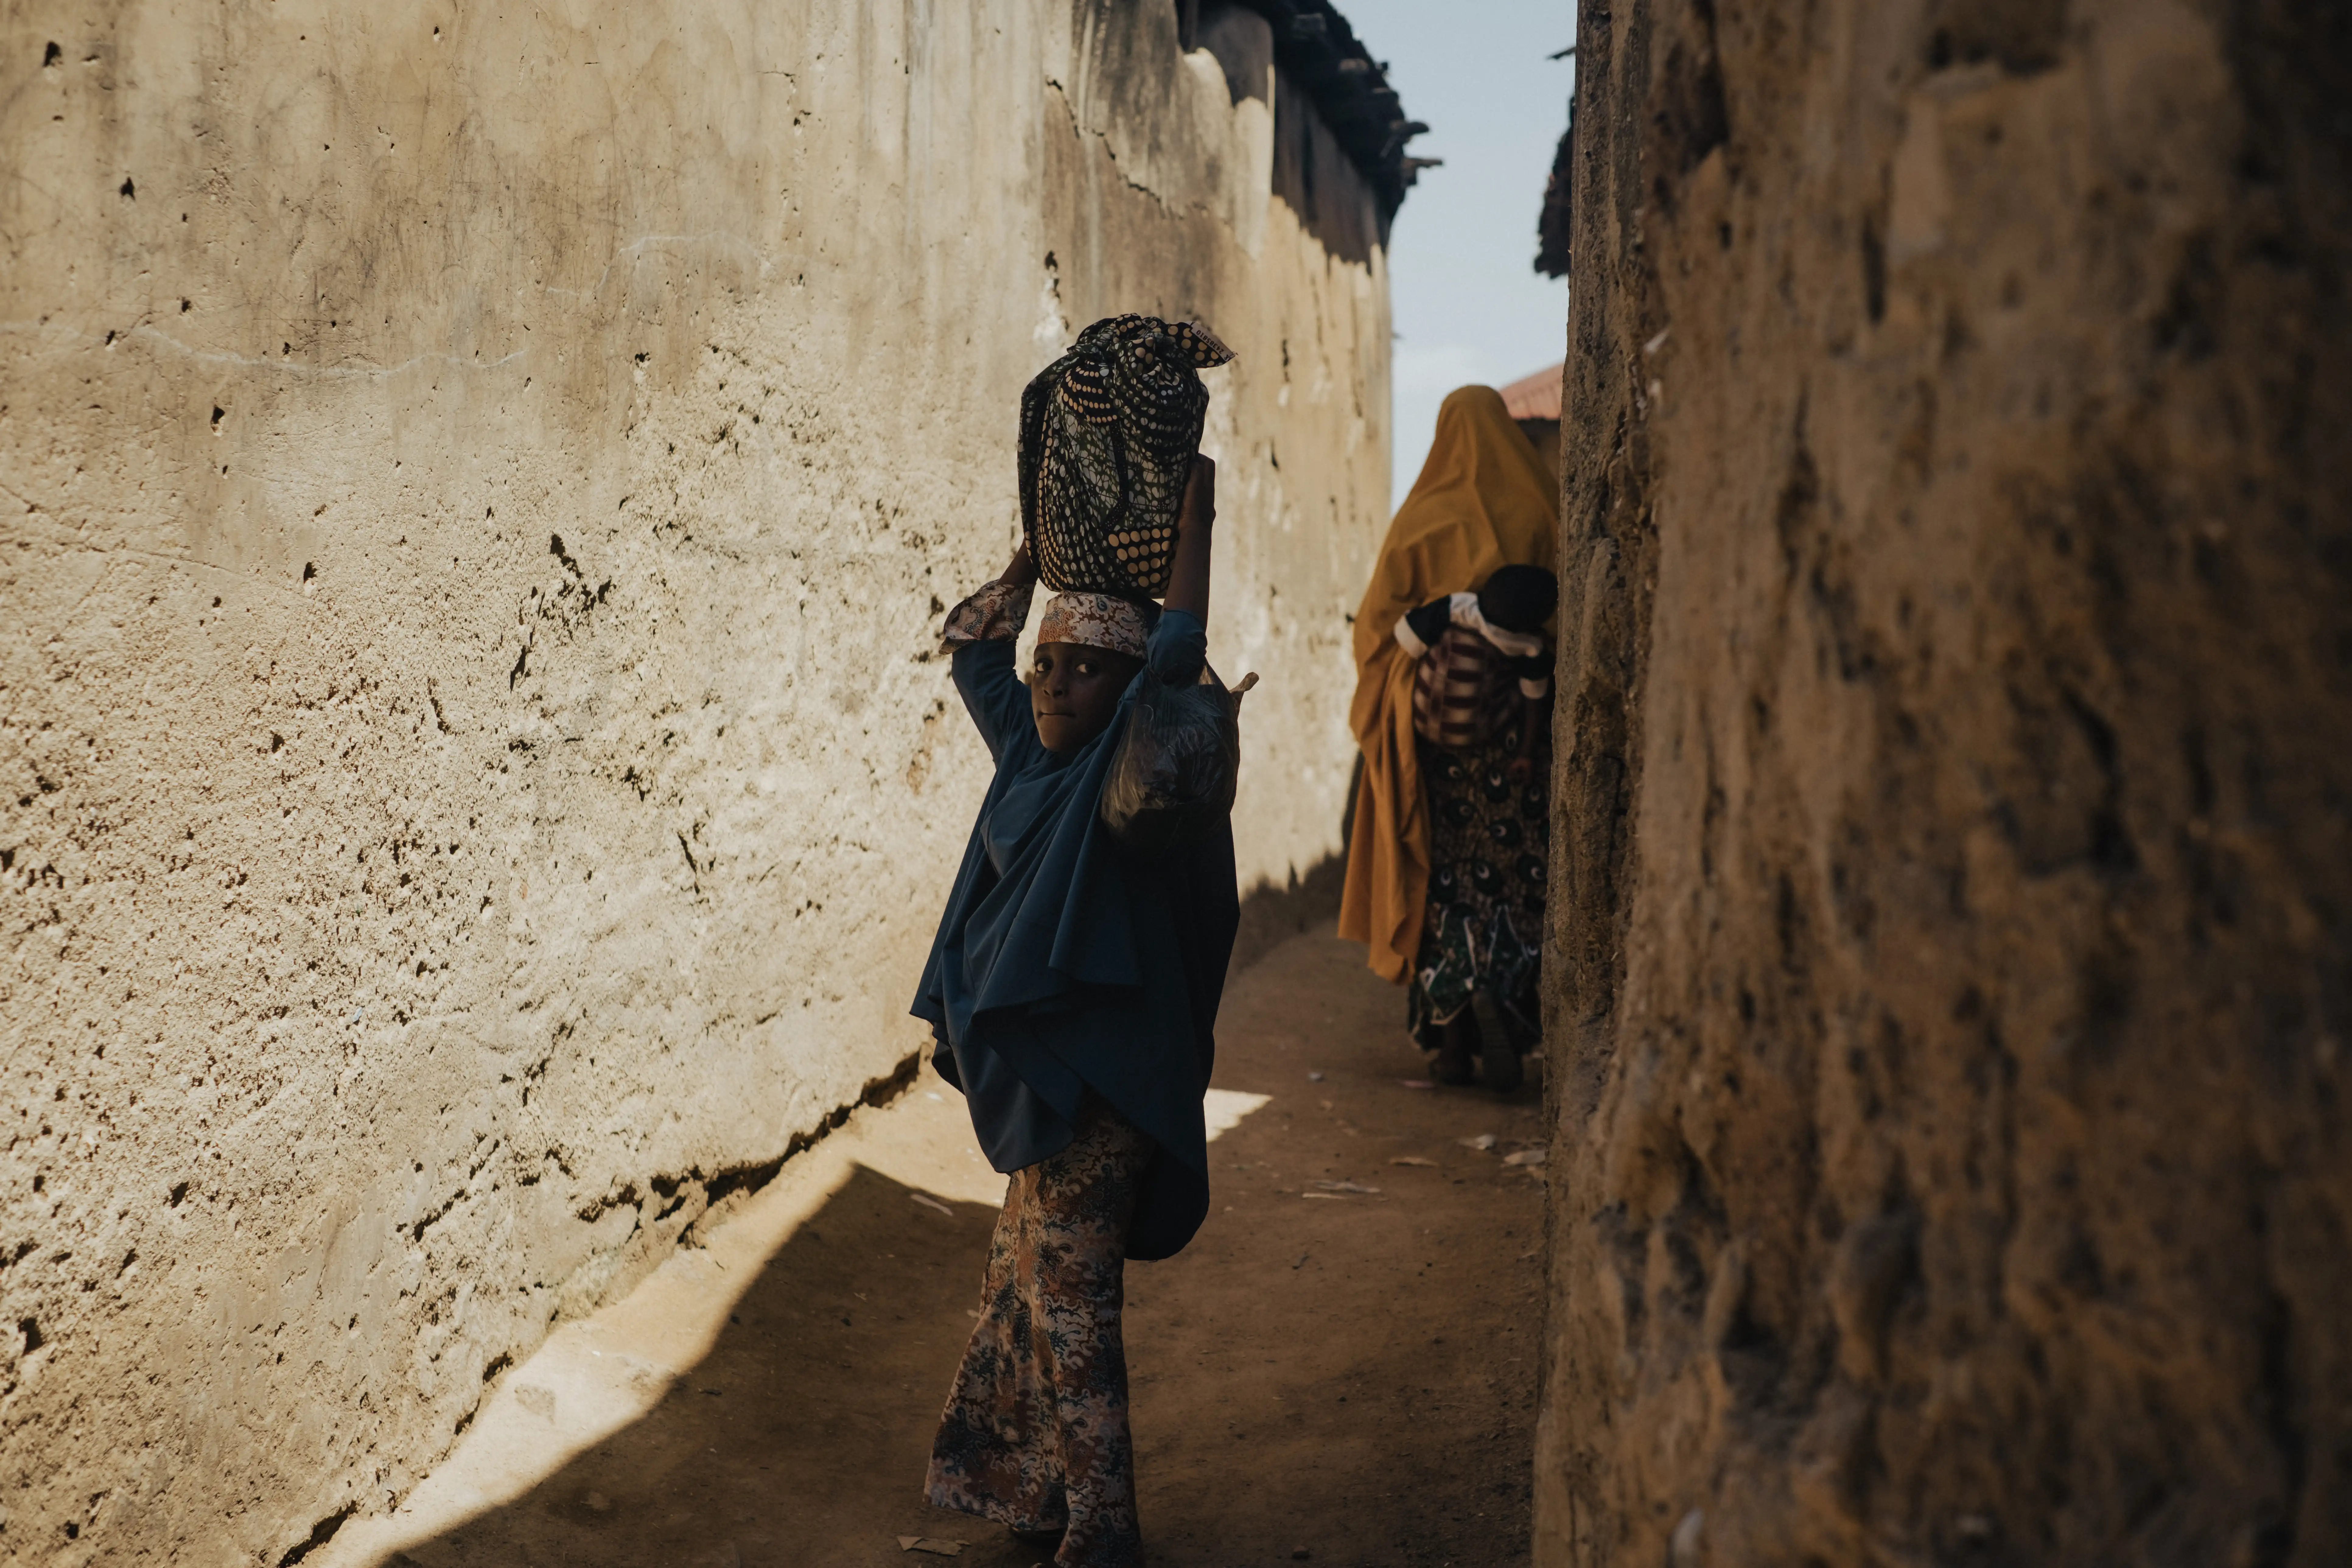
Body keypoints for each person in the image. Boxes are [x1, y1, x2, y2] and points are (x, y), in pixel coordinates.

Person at [912, 457, 1236, 1568]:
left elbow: (1177, 649)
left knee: (1071, 1303)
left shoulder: (1131, 767)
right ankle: (1033, 1492)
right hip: (1050, 1082)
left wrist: (1193, 515)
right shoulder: (1026, 756)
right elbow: (970, 646)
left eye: (1085, 668)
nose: (1053, 685)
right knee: (1025, 1284)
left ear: (1127, 686)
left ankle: (1102, 1529)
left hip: (1110, 1088)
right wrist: (1031, 561)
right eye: (1047, 664)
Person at [1339, 385, 1560, 1090]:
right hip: (1516, 747)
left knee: (1442, 881)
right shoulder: (1542, 508)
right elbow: (1563, 619)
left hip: (1434, 753)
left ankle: (1451, 1042)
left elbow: (1377, 632)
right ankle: (1504, 999)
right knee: (1512, 878)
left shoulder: (1422, 518)